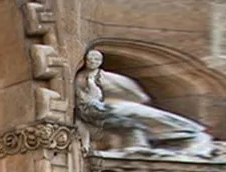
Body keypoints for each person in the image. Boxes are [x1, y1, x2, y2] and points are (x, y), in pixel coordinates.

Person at [75, 48, 215, 158]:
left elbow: (139, 96)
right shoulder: (85, 79)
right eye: (92, 59)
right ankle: (192, 138)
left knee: (168, 123)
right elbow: (138, 96)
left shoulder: (104, 77)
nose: (94, 61)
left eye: (96, 59)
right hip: (107, 109)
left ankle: (190, 138)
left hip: (117, 107)